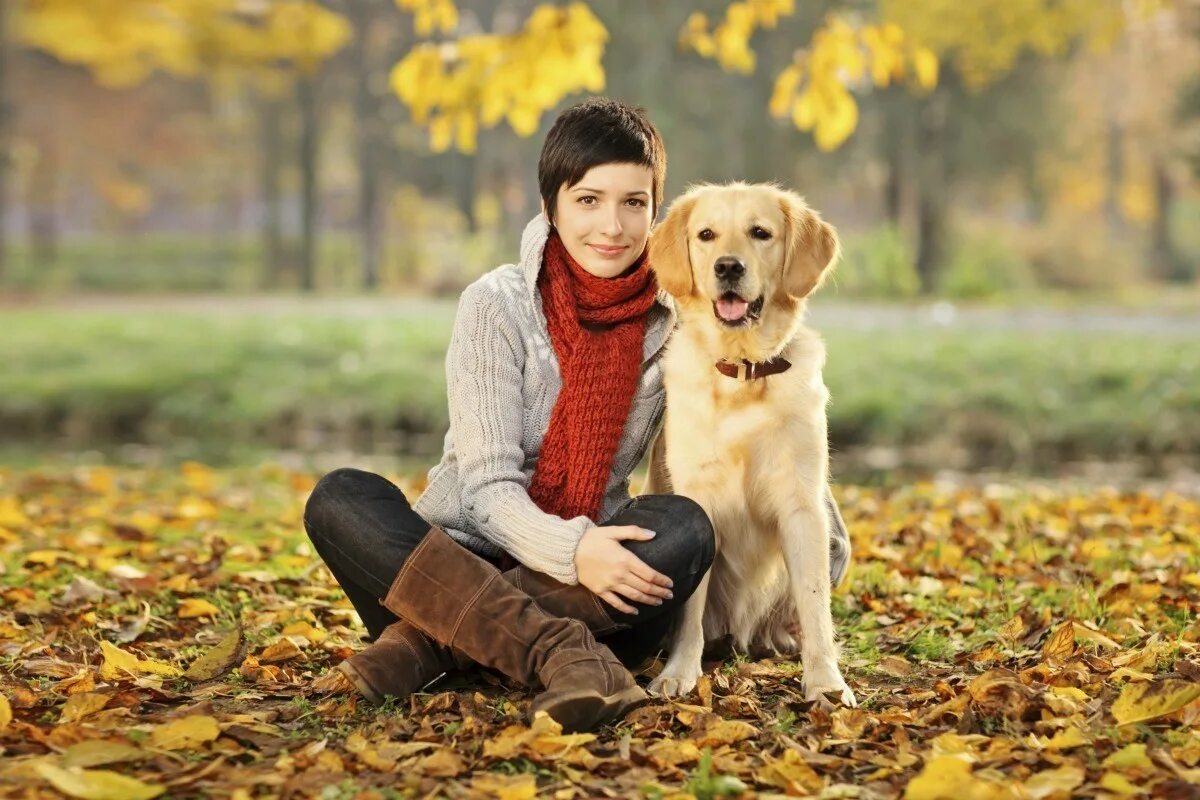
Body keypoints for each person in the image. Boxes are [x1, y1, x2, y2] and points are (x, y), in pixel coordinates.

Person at [303, 97, 852, 733]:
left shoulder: (680, 321)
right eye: (588, 200)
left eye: (633, 203)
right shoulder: (496, 306)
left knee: (683, 527)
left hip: (594, 588)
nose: (612, 227)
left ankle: (427, 647)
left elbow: (773, 468)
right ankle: (560, 656)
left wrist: (816, 557)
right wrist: (572, 550)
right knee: (342, 498)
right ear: (550, 207)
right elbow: (484, 489)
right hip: (463, 561)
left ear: (653, 213)